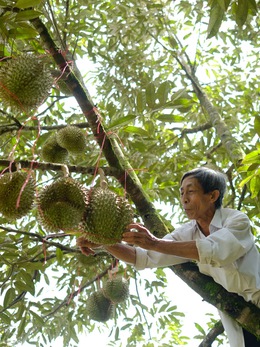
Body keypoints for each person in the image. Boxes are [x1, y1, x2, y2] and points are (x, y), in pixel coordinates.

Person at [78, 167, 260, 347]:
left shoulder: (237, 221)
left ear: (212, 196)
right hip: (237, 318)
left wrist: (155, 243)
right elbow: (143, 257)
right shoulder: (187, 232)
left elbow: (215, 250)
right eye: (182, 193)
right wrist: (103, 240)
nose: (184, 199)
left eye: (191, 191)